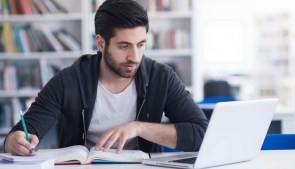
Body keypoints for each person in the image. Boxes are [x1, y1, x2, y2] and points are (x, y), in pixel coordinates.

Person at [4, 0, 208, 156]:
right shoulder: (69, 81)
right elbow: (21, 133)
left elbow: (201, 133)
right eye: (124, 46)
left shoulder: (161, 78)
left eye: (141, 44)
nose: (134, 57)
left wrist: (137, 128)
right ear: (101, 44)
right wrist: (16, 141)